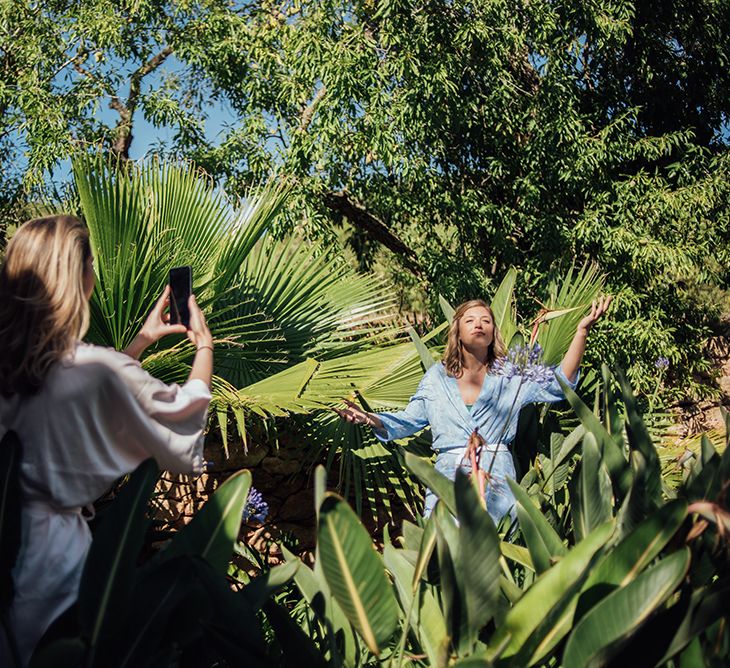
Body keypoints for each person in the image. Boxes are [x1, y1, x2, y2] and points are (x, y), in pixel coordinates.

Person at [0, 215, 214, 665]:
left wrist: (141, 340)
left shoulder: (15, 366)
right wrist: (204, 346)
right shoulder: (96, 370)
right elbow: (182, 420)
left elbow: (69, 380)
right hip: (54, 574)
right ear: (80, 278)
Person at [335, 297, 611, 523]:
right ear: (457, 331)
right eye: (470, 320)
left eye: (486, 320)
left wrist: (582, 332)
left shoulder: (511, 375)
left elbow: (559, 383)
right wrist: (370, 418)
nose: (478, 324)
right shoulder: (436, 378)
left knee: (494, 558)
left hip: (497, 479)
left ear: (493, 332)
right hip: (448, 478)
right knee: (445, 555)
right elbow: (409, 420)